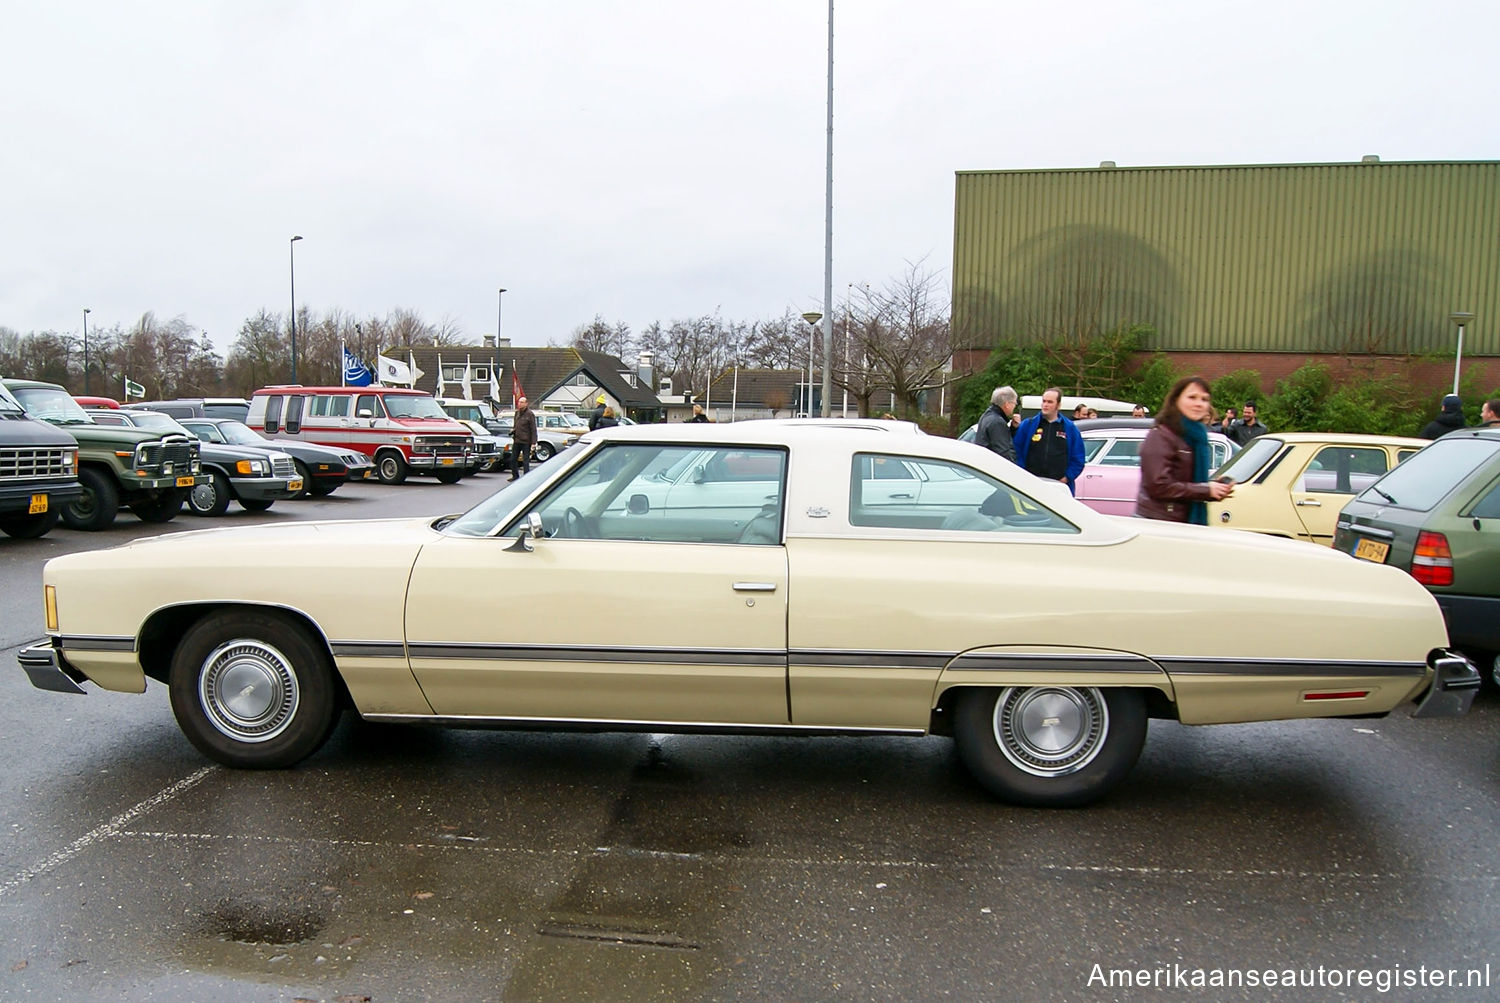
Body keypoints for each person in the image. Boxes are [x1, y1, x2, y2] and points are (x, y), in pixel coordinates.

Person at [1136, 376, 1234, 523]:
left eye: (1204, 399)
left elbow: (1185, 480)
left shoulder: (1197, 436)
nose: (1198, 404)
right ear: (1176, 400)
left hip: (1184, 522)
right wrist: (1206, 490)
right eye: (1192, 397)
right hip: (1161, 523)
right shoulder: (1161, 435)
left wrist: (1212, 487)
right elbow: (1158, 485)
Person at [1013, 387, 1086, 494]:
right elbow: (1016, 451)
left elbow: (1078, 458)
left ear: (1058, 405)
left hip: (1058, 486)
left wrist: (1066, 478)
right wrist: (1024, 474)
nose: (1045, 405)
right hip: (1031, 484)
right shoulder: (1028, 425)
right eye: (1044, 401)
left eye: (1050, 402)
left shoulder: (1070, 428)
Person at [974, 385, 1019, 462]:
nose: (1014, 406)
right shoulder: (998, 422)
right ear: (1007, 404)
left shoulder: (987, 416)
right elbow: (1003, 454)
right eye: (1014, 403)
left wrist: (1013, 428)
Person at [507, 396, 537, 480]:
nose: (519, 404)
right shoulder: (517, 413)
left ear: (526, 404)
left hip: (526, 441)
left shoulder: (530, 414)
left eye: (522, 402)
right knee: (513, 459)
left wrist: (534, 442)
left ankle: (526, 477)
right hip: (517, 440)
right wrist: (513, 431)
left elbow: (533, 429)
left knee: (525, 460)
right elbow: (516, 425)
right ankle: (515, 476)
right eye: (519, 402)